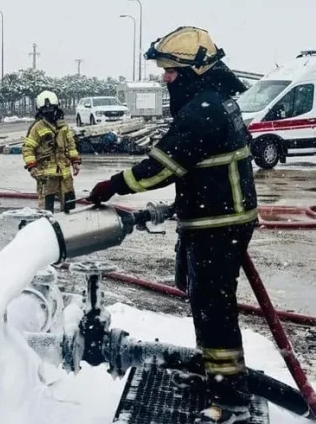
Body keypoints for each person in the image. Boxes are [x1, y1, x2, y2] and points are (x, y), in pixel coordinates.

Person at [87, 26, 258, 424]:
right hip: (216, 218)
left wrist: (113, 185)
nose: (165, 78)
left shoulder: (204, 111)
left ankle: (229, 399)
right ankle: (218, 378)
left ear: (196, 70)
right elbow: (196, 166)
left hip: (219, 223)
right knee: (207, 302)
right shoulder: (215, 102)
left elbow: (163, 166)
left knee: (214, 308)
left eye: (171, 71)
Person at [22, 90, 81, 213]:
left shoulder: (63, 126)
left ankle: (68, 228)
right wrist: (32, 167)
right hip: (46, 175)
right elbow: (28, 148)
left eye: (51, 109)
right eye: (45, 110)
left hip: (64, 173)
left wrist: (75, 161)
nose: (49, 113)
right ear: (40, 111)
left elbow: (70, 145)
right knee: (46, 210)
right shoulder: (37, 127)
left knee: (69, 204)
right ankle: (47, 228)